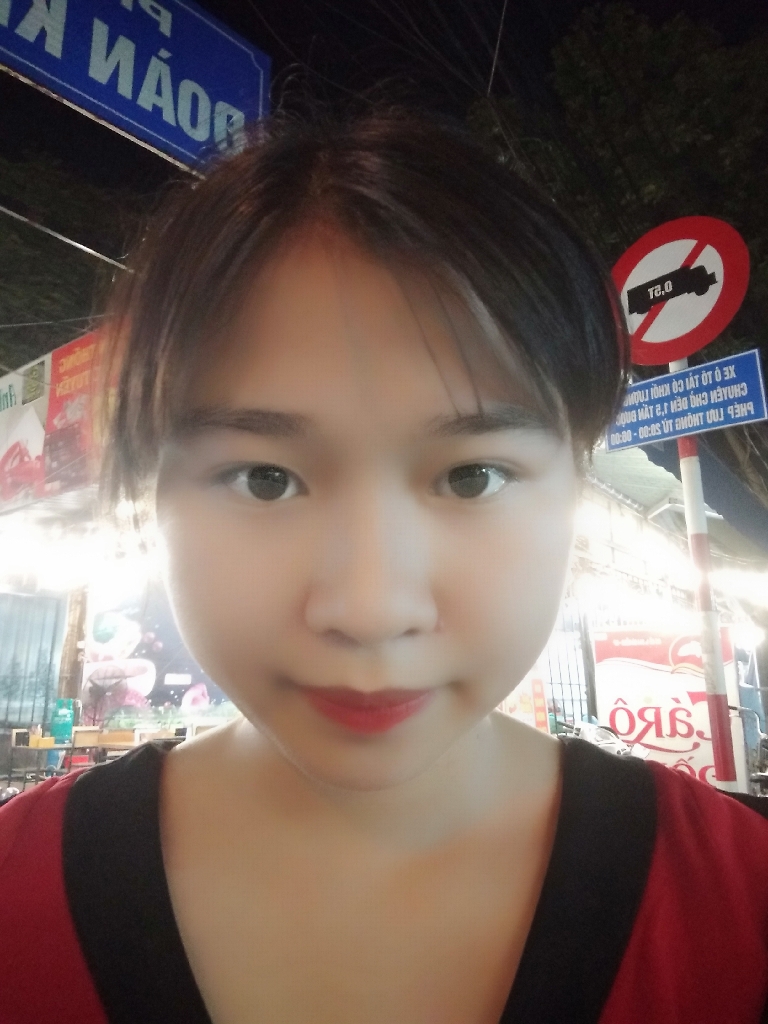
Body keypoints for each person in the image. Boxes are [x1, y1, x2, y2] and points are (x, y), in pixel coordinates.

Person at [2, 108, 768, 1024]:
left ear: (578, 475)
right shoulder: (16, 889)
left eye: (472, 476)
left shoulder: (739, 903)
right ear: (148, 492)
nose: (370, 609)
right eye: (265, 478)